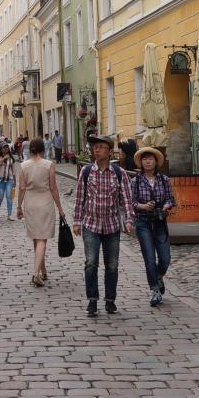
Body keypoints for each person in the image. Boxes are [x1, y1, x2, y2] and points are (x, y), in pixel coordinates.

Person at [73, 134, 134, 316]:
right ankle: (92, 300)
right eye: (95, 147)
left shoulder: (119, 173)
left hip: (112, 226)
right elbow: (79, 198)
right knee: (91, 263)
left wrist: (129, 220)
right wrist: (77, 221)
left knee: (112, 265)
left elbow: (126, 199)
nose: (96, 150)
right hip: (91, 225)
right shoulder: (86, 172)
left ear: (109, 152)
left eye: (100, 147)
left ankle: (110, 300)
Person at [130, 147, 175, 307]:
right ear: (141, 162)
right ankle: (155, 290)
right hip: (143, 222)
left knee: (165, 258)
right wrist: (142, 206)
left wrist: (166, 206)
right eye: (145, 159)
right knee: (149, 258)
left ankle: (159, 276)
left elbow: (171, 199)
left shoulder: (164, 179)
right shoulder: (135, 181)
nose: (148, 162)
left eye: (150, 159)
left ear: (156, 162)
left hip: (160, 221)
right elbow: (131, 202)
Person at [18, 138, 66, 287]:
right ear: (42, 149)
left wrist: (18, 206)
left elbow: (22, 188)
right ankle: (35, 273)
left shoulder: (23, 165)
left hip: (30, 203)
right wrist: (60, 208)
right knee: (42, 239)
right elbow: (53, 188)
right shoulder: (49, 164)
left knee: (36, 238)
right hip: (45, 203)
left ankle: (42, 270)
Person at [0, 145, 17, 218]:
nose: (6, 149)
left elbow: (14, 170)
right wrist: (4, 158)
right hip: (0, 181)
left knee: (9, 197)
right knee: (0, 197)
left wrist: (15, 181)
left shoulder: (11, 158)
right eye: (4, 147)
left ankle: (10, 214)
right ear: (1, 149)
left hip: (9, 180)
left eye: (7, 147)